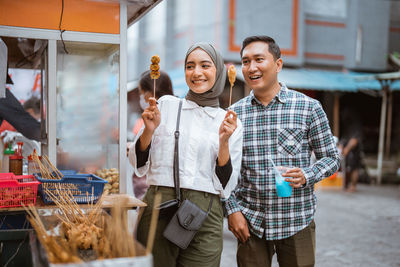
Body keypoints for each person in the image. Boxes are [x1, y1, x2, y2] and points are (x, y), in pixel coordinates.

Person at [225, 36, 340, 267]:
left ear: (278, 64)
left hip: (297, 220)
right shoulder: (233, 115)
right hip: (251, 223)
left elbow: (332, 158)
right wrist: (232, 210)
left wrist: (308, 174)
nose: (251, 67)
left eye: (259, 59)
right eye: (245, 62)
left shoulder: (308, 107)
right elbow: (223, 170)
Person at [128, 42, 243, 267]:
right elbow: (137, 162)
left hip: (206, 212)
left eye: (205, 65)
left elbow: (226, 185)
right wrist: (149, 130)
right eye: (190, 66)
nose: (196, 72)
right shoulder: (166, 105)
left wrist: (223, 143)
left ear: (218, 71)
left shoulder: (230, 122)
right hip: (160, 207)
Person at [132, 70, 174, 199]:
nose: (141, 97)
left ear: (150, 92)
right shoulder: (148, 117)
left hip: (155, 190)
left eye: (141, 93)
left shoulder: (167, 116)